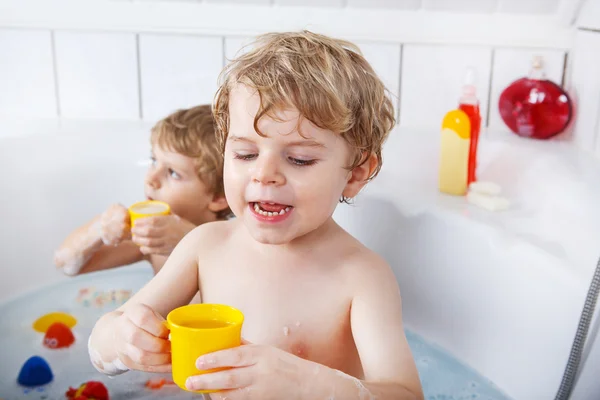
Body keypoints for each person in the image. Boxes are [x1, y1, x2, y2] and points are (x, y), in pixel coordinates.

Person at [88, 31, 424, 400]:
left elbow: (406, 394)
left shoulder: (361, 277)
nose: (264, 174)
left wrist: (310, 385)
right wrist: (122, 339)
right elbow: (103, 343)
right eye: (245, 154)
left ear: (356, 173)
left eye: (299, 159)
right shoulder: (206, 246)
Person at [54, 105, 230, 276]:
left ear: (218, 197)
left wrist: (190, 241)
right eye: (154, 160)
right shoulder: (152, 239)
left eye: (173, 173)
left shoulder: (234, 243)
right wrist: (100, 228)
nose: (151, 179)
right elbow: (65, 264)